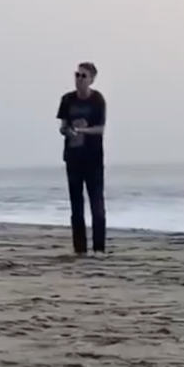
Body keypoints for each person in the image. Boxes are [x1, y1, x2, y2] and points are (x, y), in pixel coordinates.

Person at [56, 62, 107, 257]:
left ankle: (99, 249)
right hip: (73, 157)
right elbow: (62, 125)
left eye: (83, 76)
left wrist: (82, 130)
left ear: (92, 79)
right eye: (77, 75)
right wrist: (67, 130)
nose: (79, 79)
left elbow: (100, 128)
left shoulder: (97, 100)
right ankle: (80, 249)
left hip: (93, 158)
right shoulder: (67, 100)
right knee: (76, 206)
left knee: (97, 204)